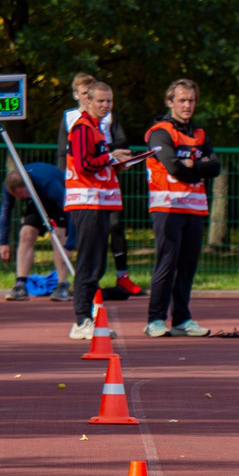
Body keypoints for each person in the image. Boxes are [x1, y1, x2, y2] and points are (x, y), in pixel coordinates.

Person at [142, 80, 219, 337]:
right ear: (170, 101)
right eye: (182, 100)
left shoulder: (199, 134)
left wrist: (191, 165)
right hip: (168, 207)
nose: (187, 105)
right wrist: (197, 166)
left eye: (191, 100)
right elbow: (173, 167)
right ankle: (155, 319)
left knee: (188, 265)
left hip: (194, 208)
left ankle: (182, 319)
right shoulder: (160, 132)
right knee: (167, 262)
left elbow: (216, 167)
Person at [63, 81, 140, 338]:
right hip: (87, 201)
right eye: (100, 101)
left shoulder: (97, 128)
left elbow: (97, 162)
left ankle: (90, 317)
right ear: (88, 102)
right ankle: (81, 320)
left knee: (96, 263)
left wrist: (118, 164)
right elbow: (85, 164)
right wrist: (111, 158)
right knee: (87, 262)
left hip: (100, 200)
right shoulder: (83, 128)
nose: (106, 105)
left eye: (109, 101)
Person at [0, 163, 70, 294]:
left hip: (57, 202)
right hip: (36, 201)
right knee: (26, 234)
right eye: (16, 197)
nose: (19, 199)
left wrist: (72, 241)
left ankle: (62, 284)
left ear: (27, 186)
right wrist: (3, 242)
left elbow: (68, 210)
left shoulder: (50, 184)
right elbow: (5, 211)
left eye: (22, 196)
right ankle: (21, 283)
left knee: (58, 235)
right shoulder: (9, 185)